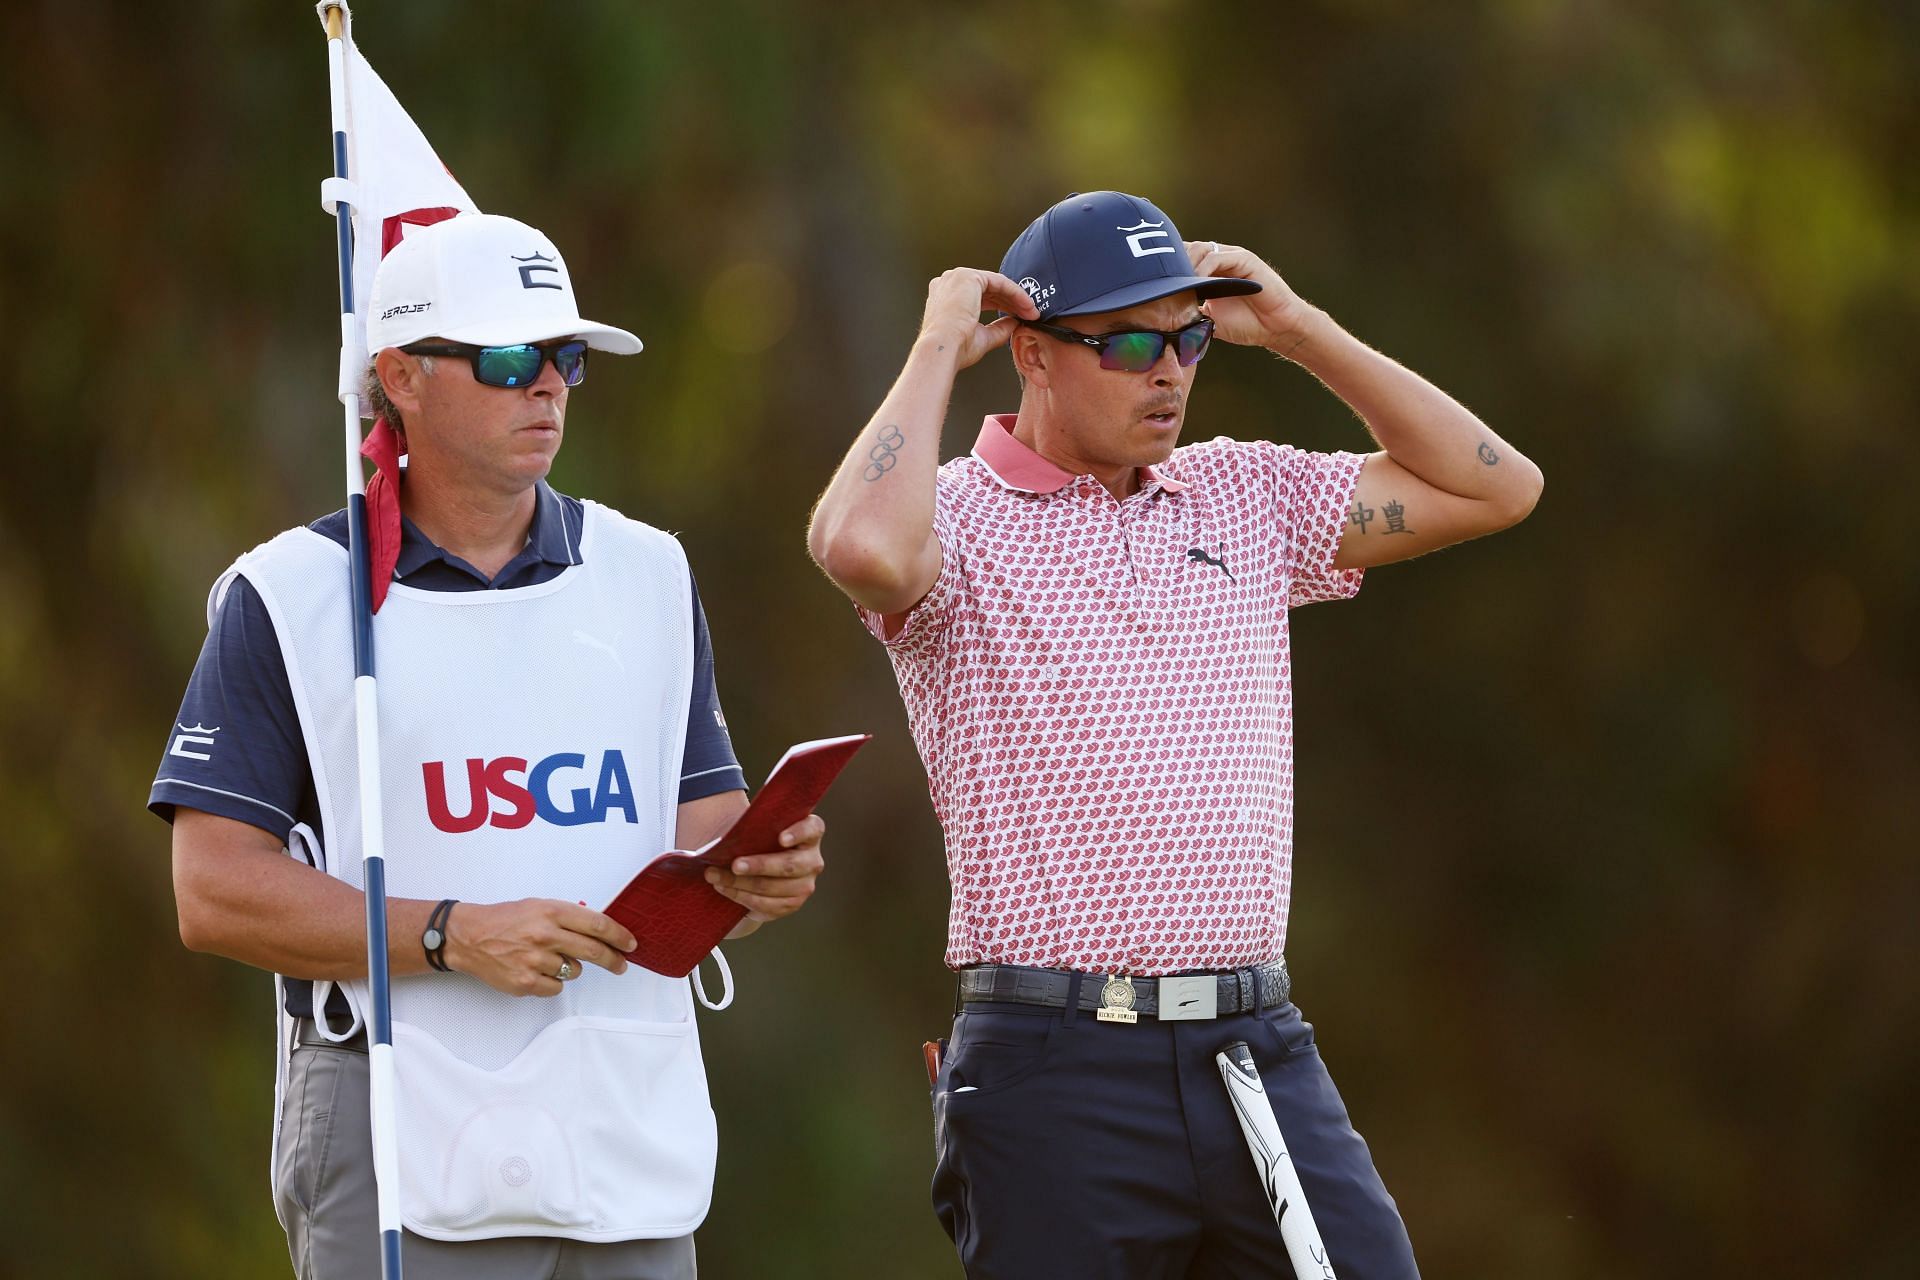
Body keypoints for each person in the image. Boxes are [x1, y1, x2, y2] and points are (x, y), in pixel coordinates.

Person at [807, 190, 1543, 1278]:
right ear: (1034, 352)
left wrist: (1297, 330)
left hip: (1255, 1046)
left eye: (1190, 336)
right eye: (1133, 342)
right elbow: (860, 548)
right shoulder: (951, 515)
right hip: (1057, 1062)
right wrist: (932, 346)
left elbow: (1496, 484)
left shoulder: (1240, 490)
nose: (1171, 370)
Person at [152, 212, 826, 1280]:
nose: (547, 386)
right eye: (509, 359)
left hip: (620, 1114)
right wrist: (451, 935)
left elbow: (700, 837)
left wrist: (756, 873)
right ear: (402, 379)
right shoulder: (288, 595)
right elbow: (214, 890)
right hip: (395, 1107)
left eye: (564, 359)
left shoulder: (649, 571)